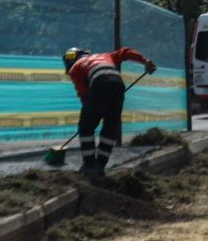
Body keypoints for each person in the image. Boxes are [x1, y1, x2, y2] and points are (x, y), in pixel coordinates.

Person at [63, 46, 157, 178]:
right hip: (117, 85)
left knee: (85, 127)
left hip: (99, 84)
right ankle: (100, 166)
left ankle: (90, 166)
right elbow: (126, 52)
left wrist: (92, 112)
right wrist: (145, 61)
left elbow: (83, 93)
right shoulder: (105, 56)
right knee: (109, 127)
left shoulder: (75, 68)